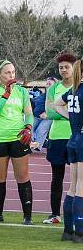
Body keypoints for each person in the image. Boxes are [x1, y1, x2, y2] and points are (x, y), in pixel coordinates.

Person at [0, 60, 34, 224]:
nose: (11, 76)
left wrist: (28, 126)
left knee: (23, 176)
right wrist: (6, 93)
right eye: (7, 72)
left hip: (18, 139)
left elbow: (29, 113)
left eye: (13, 72)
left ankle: (27, 217)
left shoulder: (21, 91)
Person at [43, 54, 75, 224]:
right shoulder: (53, 89)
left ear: (74, 67)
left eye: (67, 67)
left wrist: (63, 112)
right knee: (57, 177)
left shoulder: (79, 87)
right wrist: (73, 114)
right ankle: (55, 214)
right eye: (61, 67)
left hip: (75, 137)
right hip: (56, 137)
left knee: (78, 178)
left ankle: (76, 214)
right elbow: (50, 113)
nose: (63, 70)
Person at [55, 59, 83, 242]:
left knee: (73, 186)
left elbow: (57, 104)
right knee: (81, 186)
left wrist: (71, 118)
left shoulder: (74, 89)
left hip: (73, 138)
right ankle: (80, 233)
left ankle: (67, 231)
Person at [32, 78, 56, 149]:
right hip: (36, 116)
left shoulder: (57, 96)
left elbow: (57, 107)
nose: (48, 85)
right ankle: (30, 144)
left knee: (41, 129)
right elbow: (34, 102)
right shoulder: (42, 95)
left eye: (50, 84)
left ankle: (37, 146)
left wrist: (47, 114)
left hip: (48, 118)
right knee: (29, 127)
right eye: (47, 84)